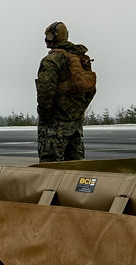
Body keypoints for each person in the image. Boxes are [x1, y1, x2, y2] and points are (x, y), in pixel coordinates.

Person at [35, 21, 96, 162]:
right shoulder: (79, 59)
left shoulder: (51, 61)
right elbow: (90, 90)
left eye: (48, 35)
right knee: (75, 171)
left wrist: (45, 119)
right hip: (75, 127)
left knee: (50, 172)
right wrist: (77, 113)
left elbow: (45, 94)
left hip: (54, 128)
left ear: (53, 37)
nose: (46, 39)